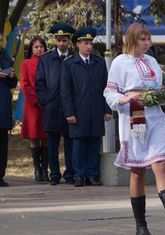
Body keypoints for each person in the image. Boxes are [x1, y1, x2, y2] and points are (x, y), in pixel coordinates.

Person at [104, 22, 165, 235]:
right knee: (138, 171)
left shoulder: (153, 61)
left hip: (154, 117)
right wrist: (126, 98)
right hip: (133, 120)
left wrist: (163, 95)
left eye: (148, 39)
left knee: (160, 164)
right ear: (132, 40)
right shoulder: (120, 62)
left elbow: (158, 90)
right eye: (142, 39)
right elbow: (110, 92)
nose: (147, 43)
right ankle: (141, 224)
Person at [61, 28, 112, 187]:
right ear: (77, 44)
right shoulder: (70, 63)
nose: (89, 46)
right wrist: (69, 112)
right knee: (78, 143)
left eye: (90, 43)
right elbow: (66, 90)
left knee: (94, 141)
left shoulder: (99, 62)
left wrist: (107, 109)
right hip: (78, 110)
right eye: (85, 43)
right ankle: (79, 174)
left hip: (96, 109)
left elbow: (106, 87)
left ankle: (92, 174)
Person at [35, 22, 76, 185]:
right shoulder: (46, 59)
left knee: (70, 141)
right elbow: (40, 82)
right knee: (52, 142)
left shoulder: (74, 58)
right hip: (52, 107)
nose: (61, 43)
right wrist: (45, 101)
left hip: (70, 107)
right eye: (59, 40)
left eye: (64, 40)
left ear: (69, 40)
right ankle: (54, 174)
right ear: (55, 41)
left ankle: (70, 173)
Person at [19, 36, 48, 183]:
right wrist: (36, 100)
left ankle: (45, 169)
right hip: (32, 106)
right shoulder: (26, 64)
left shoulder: (48, 62)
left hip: (47, 105)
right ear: (31, 48)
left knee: (46, 137)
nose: (39, 49)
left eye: (41, 46)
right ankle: (37, 169)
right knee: (35, 137)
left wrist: (47, 99)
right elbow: (24, 84)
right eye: (36, 46)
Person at [0, 47, 17, 187]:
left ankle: (0, 175)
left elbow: (13, 83)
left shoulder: (6, 57)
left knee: (2, 142)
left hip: (3, 102)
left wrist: (12, 76)